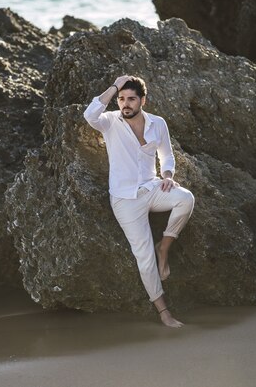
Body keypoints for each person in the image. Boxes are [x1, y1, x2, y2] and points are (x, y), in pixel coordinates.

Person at [83, 75, 195, 328]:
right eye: (122, 99)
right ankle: (164, 313)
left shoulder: (158, 123)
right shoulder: (110, 122)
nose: (125, 104)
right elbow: (90, 115)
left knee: (185, 199)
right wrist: (114, 86)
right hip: (125, 199)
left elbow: (167, 155)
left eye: (131, 99)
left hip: (152, 187)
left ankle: (164, 247)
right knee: (143, 257)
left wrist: (167, 176)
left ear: (142, 100)